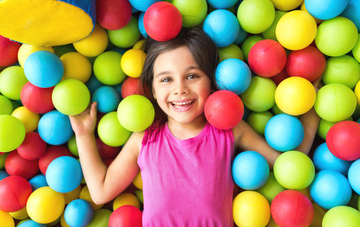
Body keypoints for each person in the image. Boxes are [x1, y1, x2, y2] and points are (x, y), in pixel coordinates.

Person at [69, 27, 320, 226]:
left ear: (211, 82)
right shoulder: (145, 138)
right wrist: (83, 134)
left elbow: (287, 166)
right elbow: (100, 191)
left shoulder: (228, 129)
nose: (180, 88)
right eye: (166, 79)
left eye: (192, 75)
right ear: (153, 91)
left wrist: (311, 116)